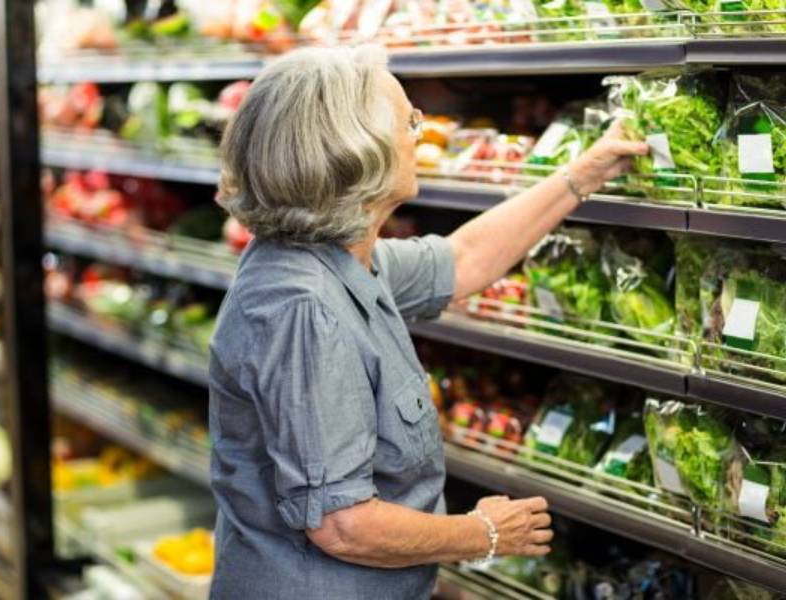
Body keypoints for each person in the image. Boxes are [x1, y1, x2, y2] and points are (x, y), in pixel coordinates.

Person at [208, 44, 648, 599]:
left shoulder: (338, 258)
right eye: (410, 120)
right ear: (356, 150)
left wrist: (583, 174)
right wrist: (483, 532)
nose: (420, 134)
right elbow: (342, 524)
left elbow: (462, 260)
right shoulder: (304, 308)